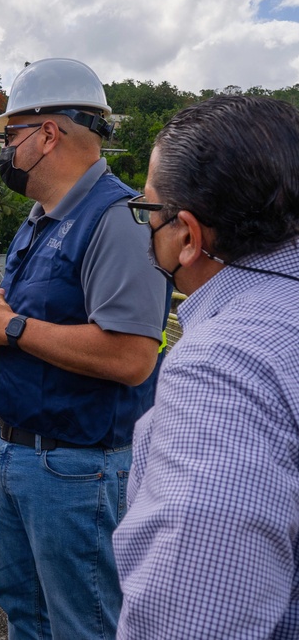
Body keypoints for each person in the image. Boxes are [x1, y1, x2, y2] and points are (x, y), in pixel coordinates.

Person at [0, 58, 169, 639]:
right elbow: (28, 324)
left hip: (76, 470)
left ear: (48, 134)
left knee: (83, 626)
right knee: (27, 615)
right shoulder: (38, 219)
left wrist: (13, 329)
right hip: (15, 453)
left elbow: (131, 357)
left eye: (11, 136)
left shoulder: (117, 220)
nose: (6, 152)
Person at [113, 96, 299, 638]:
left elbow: (193, 616)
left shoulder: (222, 367)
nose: (148, 227)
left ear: (189, 236)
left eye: (150, 212)